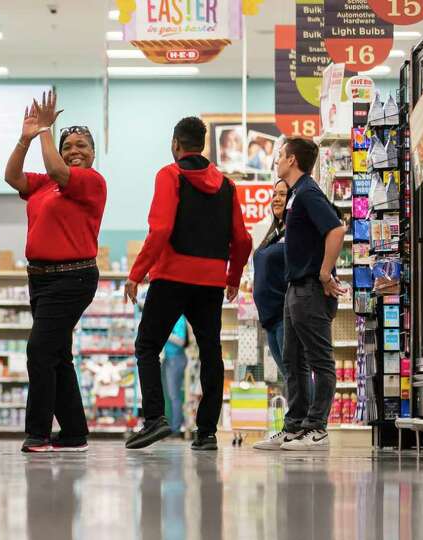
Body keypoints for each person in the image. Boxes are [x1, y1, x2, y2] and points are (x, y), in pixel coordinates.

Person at [124, 116, 252, 451]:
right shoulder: (227, 185)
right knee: (210, 352)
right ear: (203, 144)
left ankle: (155, 418)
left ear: (175, 144)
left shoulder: (170, 175)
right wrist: (232, 277)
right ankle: (206, 432)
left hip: (172, 277)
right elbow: (242, 239)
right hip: (210, 282)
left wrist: (136, 273)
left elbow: (161, 229)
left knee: (147, 346)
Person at [3, 89, 108, 454]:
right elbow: (12, 176)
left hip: (72, 277)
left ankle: (38, 433)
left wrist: (46, 130)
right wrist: (26, 138)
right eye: (68, 146)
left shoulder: (91, 181)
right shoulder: (46, 184)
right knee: (58, 355)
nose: (75, 150)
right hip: (40, 278)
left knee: (39, 351)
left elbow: (56, 170)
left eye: (82, 146)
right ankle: (75, 433)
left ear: (93, 153)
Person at [256, 137, 346, 452]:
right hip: (294, 288)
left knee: (320, 360)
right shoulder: (296, 194)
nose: (277, 160)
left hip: (310, 288)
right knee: (293, 361)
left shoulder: (308, 192)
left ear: (292, 159)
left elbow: (336, 229)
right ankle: (294, 427)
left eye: (280, 154)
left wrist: (324, 272)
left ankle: (317, 428)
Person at [252, 179, 289, 382]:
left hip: (285, 315)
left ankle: (309, 405)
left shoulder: (295, 232)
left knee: (294, 374)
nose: (276, 199)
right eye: (274, 194)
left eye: (282, 194)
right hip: (270, 319)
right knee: (289, 376)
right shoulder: (274, 233)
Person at [162, 317, 189, 433]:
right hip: (169, 358)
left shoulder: (179, 319)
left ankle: (175, 428)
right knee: (171, 395)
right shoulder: (173, 317)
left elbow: (181, 341)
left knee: (174, 395)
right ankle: (175, 424)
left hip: (176, 359)